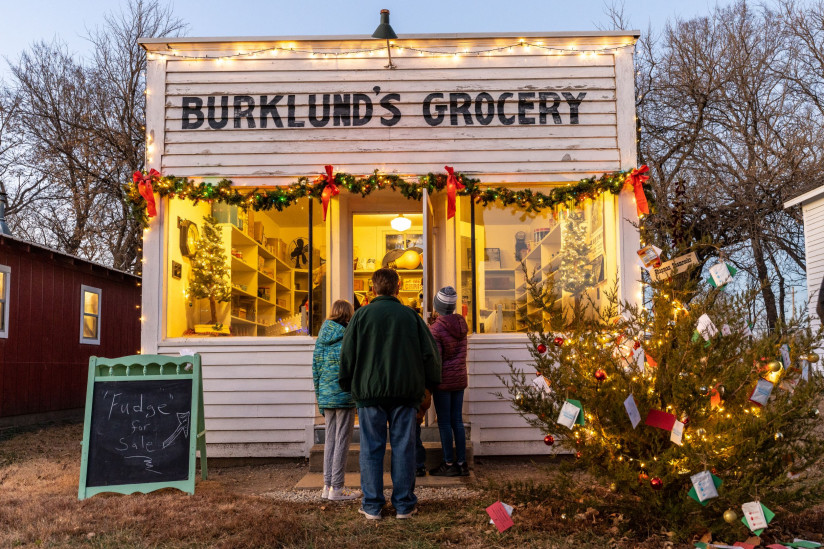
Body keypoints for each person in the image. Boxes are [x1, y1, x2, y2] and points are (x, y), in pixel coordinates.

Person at [339, 268, 442, 520]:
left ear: (373, 289)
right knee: (403, 447)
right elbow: (430, 356)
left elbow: (347, 355)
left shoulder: (361, 316)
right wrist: (428, 386)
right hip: (405, 392)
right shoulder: (411, 316)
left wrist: (348, 387)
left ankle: (373, 505)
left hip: (369, 393)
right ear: (398, 288)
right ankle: (404, 505)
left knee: (371, 448)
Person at [313, 299, 362, 501]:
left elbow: (315, 370)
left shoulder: (321, 337)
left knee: (330, 440)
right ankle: (338, 488)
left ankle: (327, 486)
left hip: (326, 395)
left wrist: (320, 398)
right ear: (348, 314)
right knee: (342, 439)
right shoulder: (349, 337)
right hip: (344, 396)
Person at [428, 286, 470, 477]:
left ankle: (448, 463)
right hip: (459, 379)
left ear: (437, 306)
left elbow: (436, 359)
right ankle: (462, 463)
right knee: (457, 421)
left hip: (443, 382)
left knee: (444, 422)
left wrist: (431, 381)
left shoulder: (436, 329)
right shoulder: (462, 325)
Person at [415, 389, 432, 477]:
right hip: (414, 415)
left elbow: (426, 402)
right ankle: (418, 466)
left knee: (416, 442)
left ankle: (419, 466)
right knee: (415, 442)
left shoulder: (424, 389)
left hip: (415, 416)